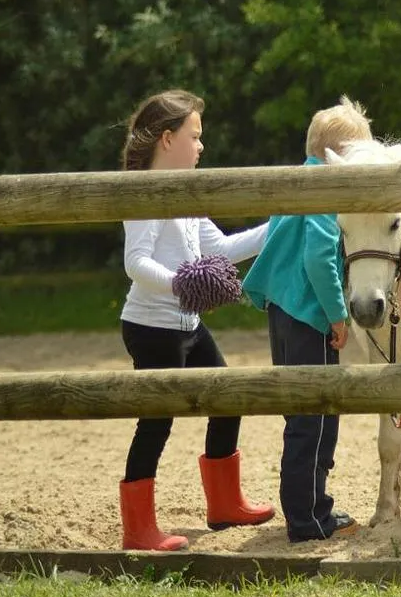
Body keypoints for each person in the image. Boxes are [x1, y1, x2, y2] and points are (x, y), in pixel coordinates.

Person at [118, 89, 274, 551]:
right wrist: (184, 286)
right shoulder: (143, 190)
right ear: (168, 140)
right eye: (195, 135)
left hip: (185, 323)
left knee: (226, 396)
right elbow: (136, 263)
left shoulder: (184, 192)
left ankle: (225, 505)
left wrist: (283, 221)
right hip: (151, 326)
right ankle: (138, 529)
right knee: (157, 420)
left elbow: (222, 249)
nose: (201, 146)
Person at [242, 96, 372, 541]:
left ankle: (309, 509)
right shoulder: (323, 190)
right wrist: (338, 315)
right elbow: (320, 257)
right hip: (308, 314)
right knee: (316, 417)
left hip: (282, 312)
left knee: (301, 415)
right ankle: (308, 518)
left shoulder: (296, 181)